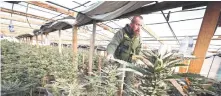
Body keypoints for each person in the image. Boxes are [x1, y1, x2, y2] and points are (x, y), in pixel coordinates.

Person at [106, 16, 143, 95]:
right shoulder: (122, 33)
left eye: (141, 25)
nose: (139, 28)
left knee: (128, 85)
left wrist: (138, 59)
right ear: (131, 24)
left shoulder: (138, 37)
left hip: (130, 66)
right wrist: (110, 53)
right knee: (116, 84)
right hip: (118, 65)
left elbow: (138, 50)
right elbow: (113, 44)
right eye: (137, 24)